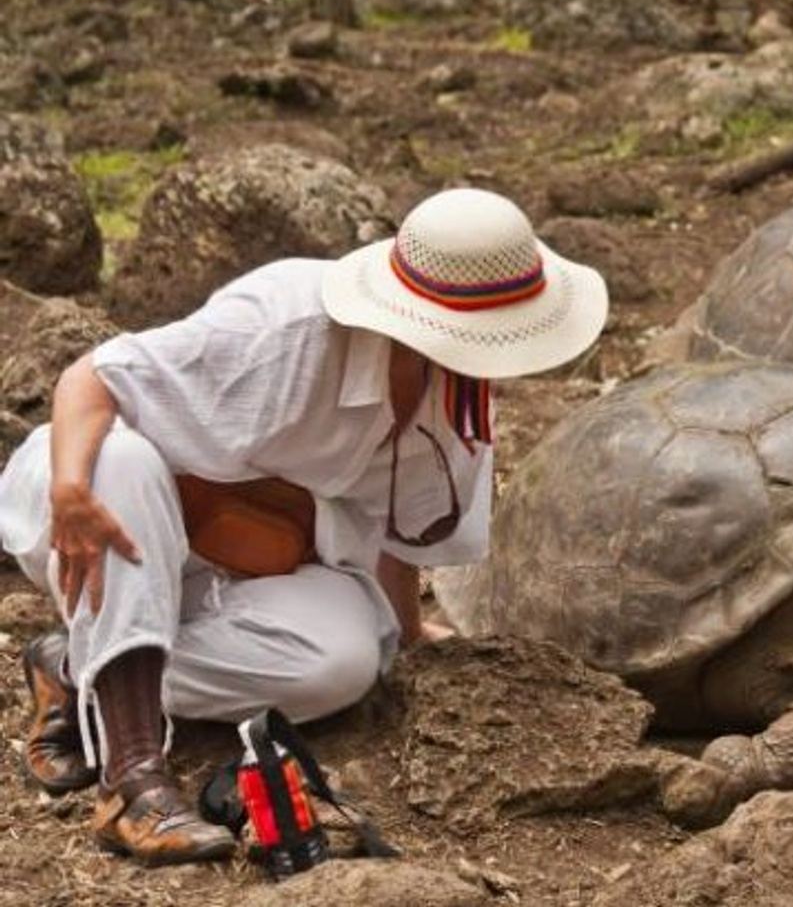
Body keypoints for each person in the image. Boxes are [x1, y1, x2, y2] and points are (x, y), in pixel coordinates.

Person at [0, 188, 608, 866]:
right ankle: (132, 780)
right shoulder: (283, 329)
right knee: (126, 461)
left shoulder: (458, 409)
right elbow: (91, 381)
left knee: (344, 662)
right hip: (102, 525)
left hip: (241, 568)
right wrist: (72, 492)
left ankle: (76, 666)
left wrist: (405, 638)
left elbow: (399, 536)